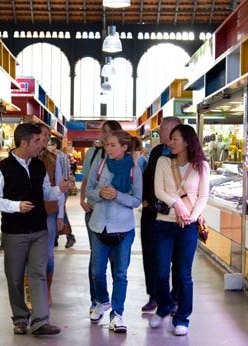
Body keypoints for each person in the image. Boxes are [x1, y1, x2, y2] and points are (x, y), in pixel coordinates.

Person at [0, 123, 69, 336]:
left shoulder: (39, 166)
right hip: (15, 232)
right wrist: (16, 206)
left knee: (38, 274)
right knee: (14, 277)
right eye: (36, 141)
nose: (41, 145)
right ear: (24, 142)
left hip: (40, 229)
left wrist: (58, 190)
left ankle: (41, 320)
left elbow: (45, 193)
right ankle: (20, 318)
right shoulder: (1, 169)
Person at [148, 124, 210, 336]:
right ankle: (164, 307)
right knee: (161, 272)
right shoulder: (164, 162)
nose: (171, 142)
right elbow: (159, 191)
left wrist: (191, 217)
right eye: (171, 138)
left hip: (188, 227)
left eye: (175, 139)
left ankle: (182, 317)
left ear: (187, 141)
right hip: (164, 223)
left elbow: (203, 196)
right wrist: (177, 205)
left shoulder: (201, 165)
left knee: (184, 275)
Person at [85, 129, 142, 333]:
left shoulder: (134, 170)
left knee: (120, 273)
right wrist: (99, 193)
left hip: (124, 229)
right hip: (99, 225)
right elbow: (88, 191)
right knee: (96, 272)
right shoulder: (99, 165)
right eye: (107, 144)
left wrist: (118, 195)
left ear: (124, 147)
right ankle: (102, 300)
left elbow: (136, 200)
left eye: (112, 145)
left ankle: (117, 314)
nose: (108, 148)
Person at [80, 120, 122, 315]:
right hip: (95, 212)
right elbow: (87, 179)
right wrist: (82, 199)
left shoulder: (125, 157)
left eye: (110, 132)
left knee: (116, 260)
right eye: (103, 131)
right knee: (96, 260)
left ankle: (115, 302)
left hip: (117, 216)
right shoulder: (93, 154)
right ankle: (96, 299)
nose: (105, 135)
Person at [140, 116, 182, 312]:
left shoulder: (184, 153)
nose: (159, 132)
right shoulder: (157, 151)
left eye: (163, 129)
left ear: (174, 131)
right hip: (151, 212)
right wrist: (144, 199)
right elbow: (148, 176)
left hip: (175, 214)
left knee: (175, 258)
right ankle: (154, 295)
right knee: (150, 255)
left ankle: (175, 298)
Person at [36, 123, 66, 306]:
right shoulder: (25, 158)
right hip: (29, 211)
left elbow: (60, 187)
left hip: (50, 211)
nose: (46, 138)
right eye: (42, 134)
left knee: (48, 254)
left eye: (48, 135)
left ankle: (46, 291)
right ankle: (32, 292)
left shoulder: (54, 159)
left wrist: (61, 214)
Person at [49, 137, 76, 248]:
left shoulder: (59, 156)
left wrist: (61, 189)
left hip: (60, 189)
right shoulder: (54, 156)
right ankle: (55, 238)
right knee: (57, 212)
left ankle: (70, 236)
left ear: (55, 146)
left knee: (60, 212)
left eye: (49, 144)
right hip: (56, 189)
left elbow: (65, 176)